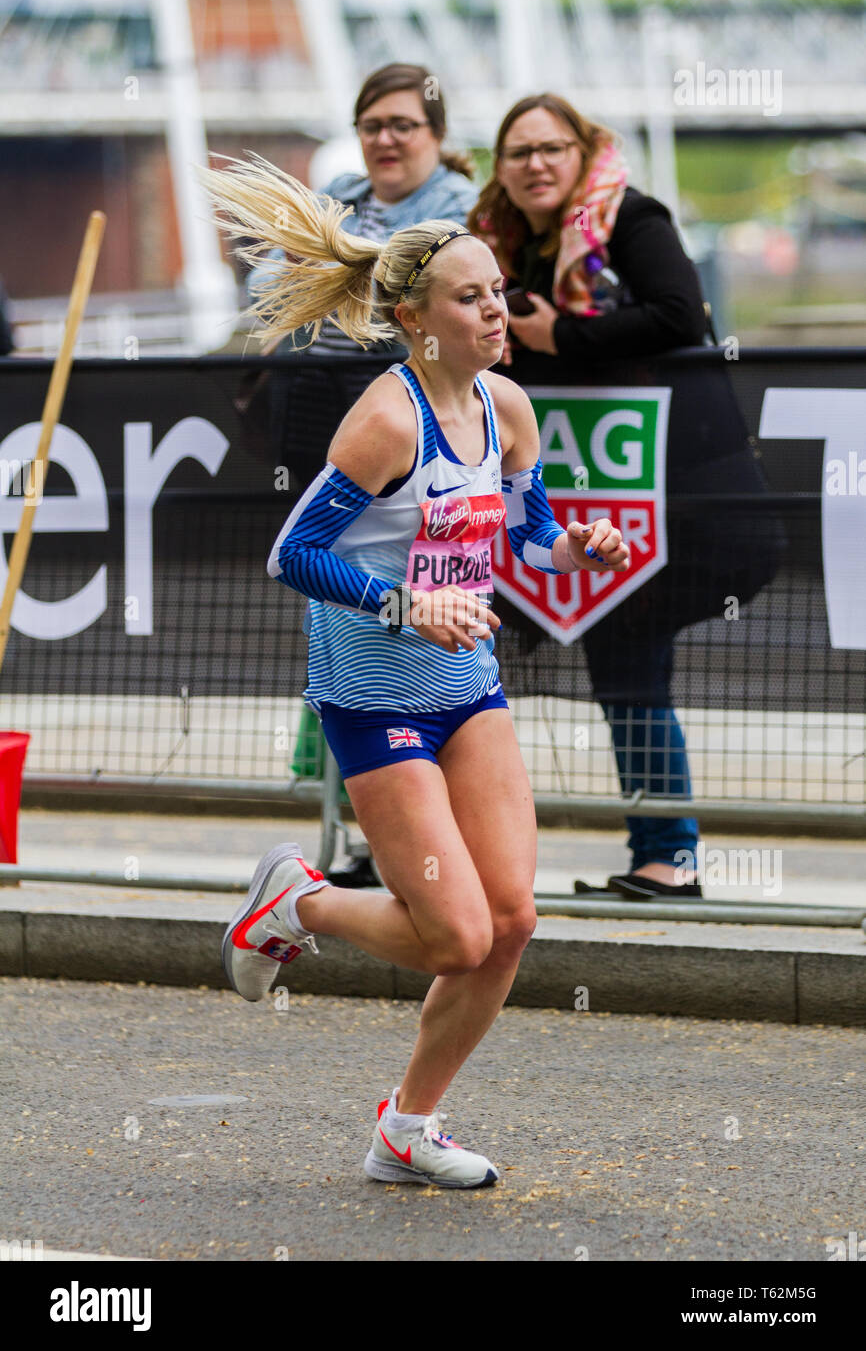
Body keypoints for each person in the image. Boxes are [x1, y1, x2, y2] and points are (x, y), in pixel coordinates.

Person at [201, 154, 630, 1188]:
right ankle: (292, 902)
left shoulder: (507, 411)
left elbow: (526, 536)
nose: (494, 310)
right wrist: (405, 603)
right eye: (471, 297)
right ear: (415, 319)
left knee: (510, 922)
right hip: (372, 700)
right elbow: (292, 555)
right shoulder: (384, 422)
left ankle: (406, 1126)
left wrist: (583, 548)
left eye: (495, 292)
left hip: (466, 689)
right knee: (453, 934)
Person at [469, 93, 708, 900]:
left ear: (583, 152)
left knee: (633, 670)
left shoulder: (632, 219)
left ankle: (667, 859)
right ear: (500, 169)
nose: (536, 163)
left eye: (552, 147)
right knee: (464, 667)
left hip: (641, 485)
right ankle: (467, 863)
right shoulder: (502, 244)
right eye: (518, 151)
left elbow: (680, 313)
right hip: (536, 487)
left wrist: (557, 337)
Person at [246, 63, 478, 885]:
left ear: (436, 137)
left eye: (403, 125)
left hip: (414, 430)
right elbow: (265, 285)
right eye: (372, 123)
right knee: (335, 612)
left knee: (415, 628)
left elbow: (423, 279)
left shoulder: (455, 207)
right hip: (323, 422)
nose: (385, 138)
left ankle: (420, 844)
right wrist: (346, 265)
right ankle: (365, 837)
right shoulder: (340, 193)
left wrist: (338, 266)